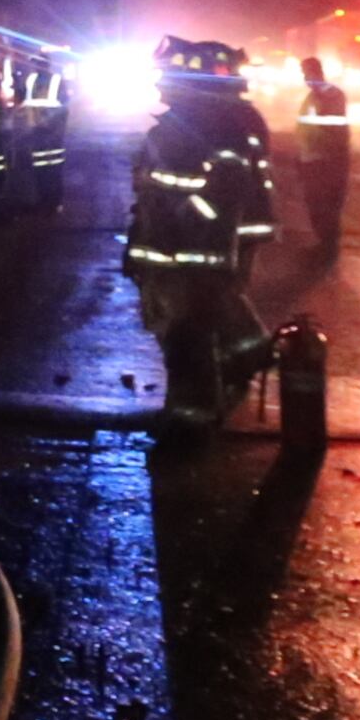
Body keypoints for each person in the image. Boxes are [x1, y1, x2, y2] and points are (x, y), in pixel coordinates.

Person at [123, 36, 277, 435]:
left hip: (193, 250)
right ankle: (245, 354)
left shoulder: (216, 125)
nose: (160, 82)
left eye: (167, 74)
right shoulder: (207, 119)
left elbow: (221, 196)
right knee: (206, 318)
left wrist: (193, 241)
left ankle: (191, 417)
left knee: (187, 331)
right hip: (185, 248)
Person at [293, 55, 353, 254]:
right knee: (315, 203)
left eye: (306, 73)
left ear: (315, 72)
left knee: (326, 203)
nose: (304, 78)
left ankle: (328, 245)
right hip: (312, 158)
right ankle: (324, 243)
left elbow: (333, 128)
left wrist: (325, 154)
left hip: (327, 159)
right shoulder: (313, 97)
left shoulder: (330, 95)